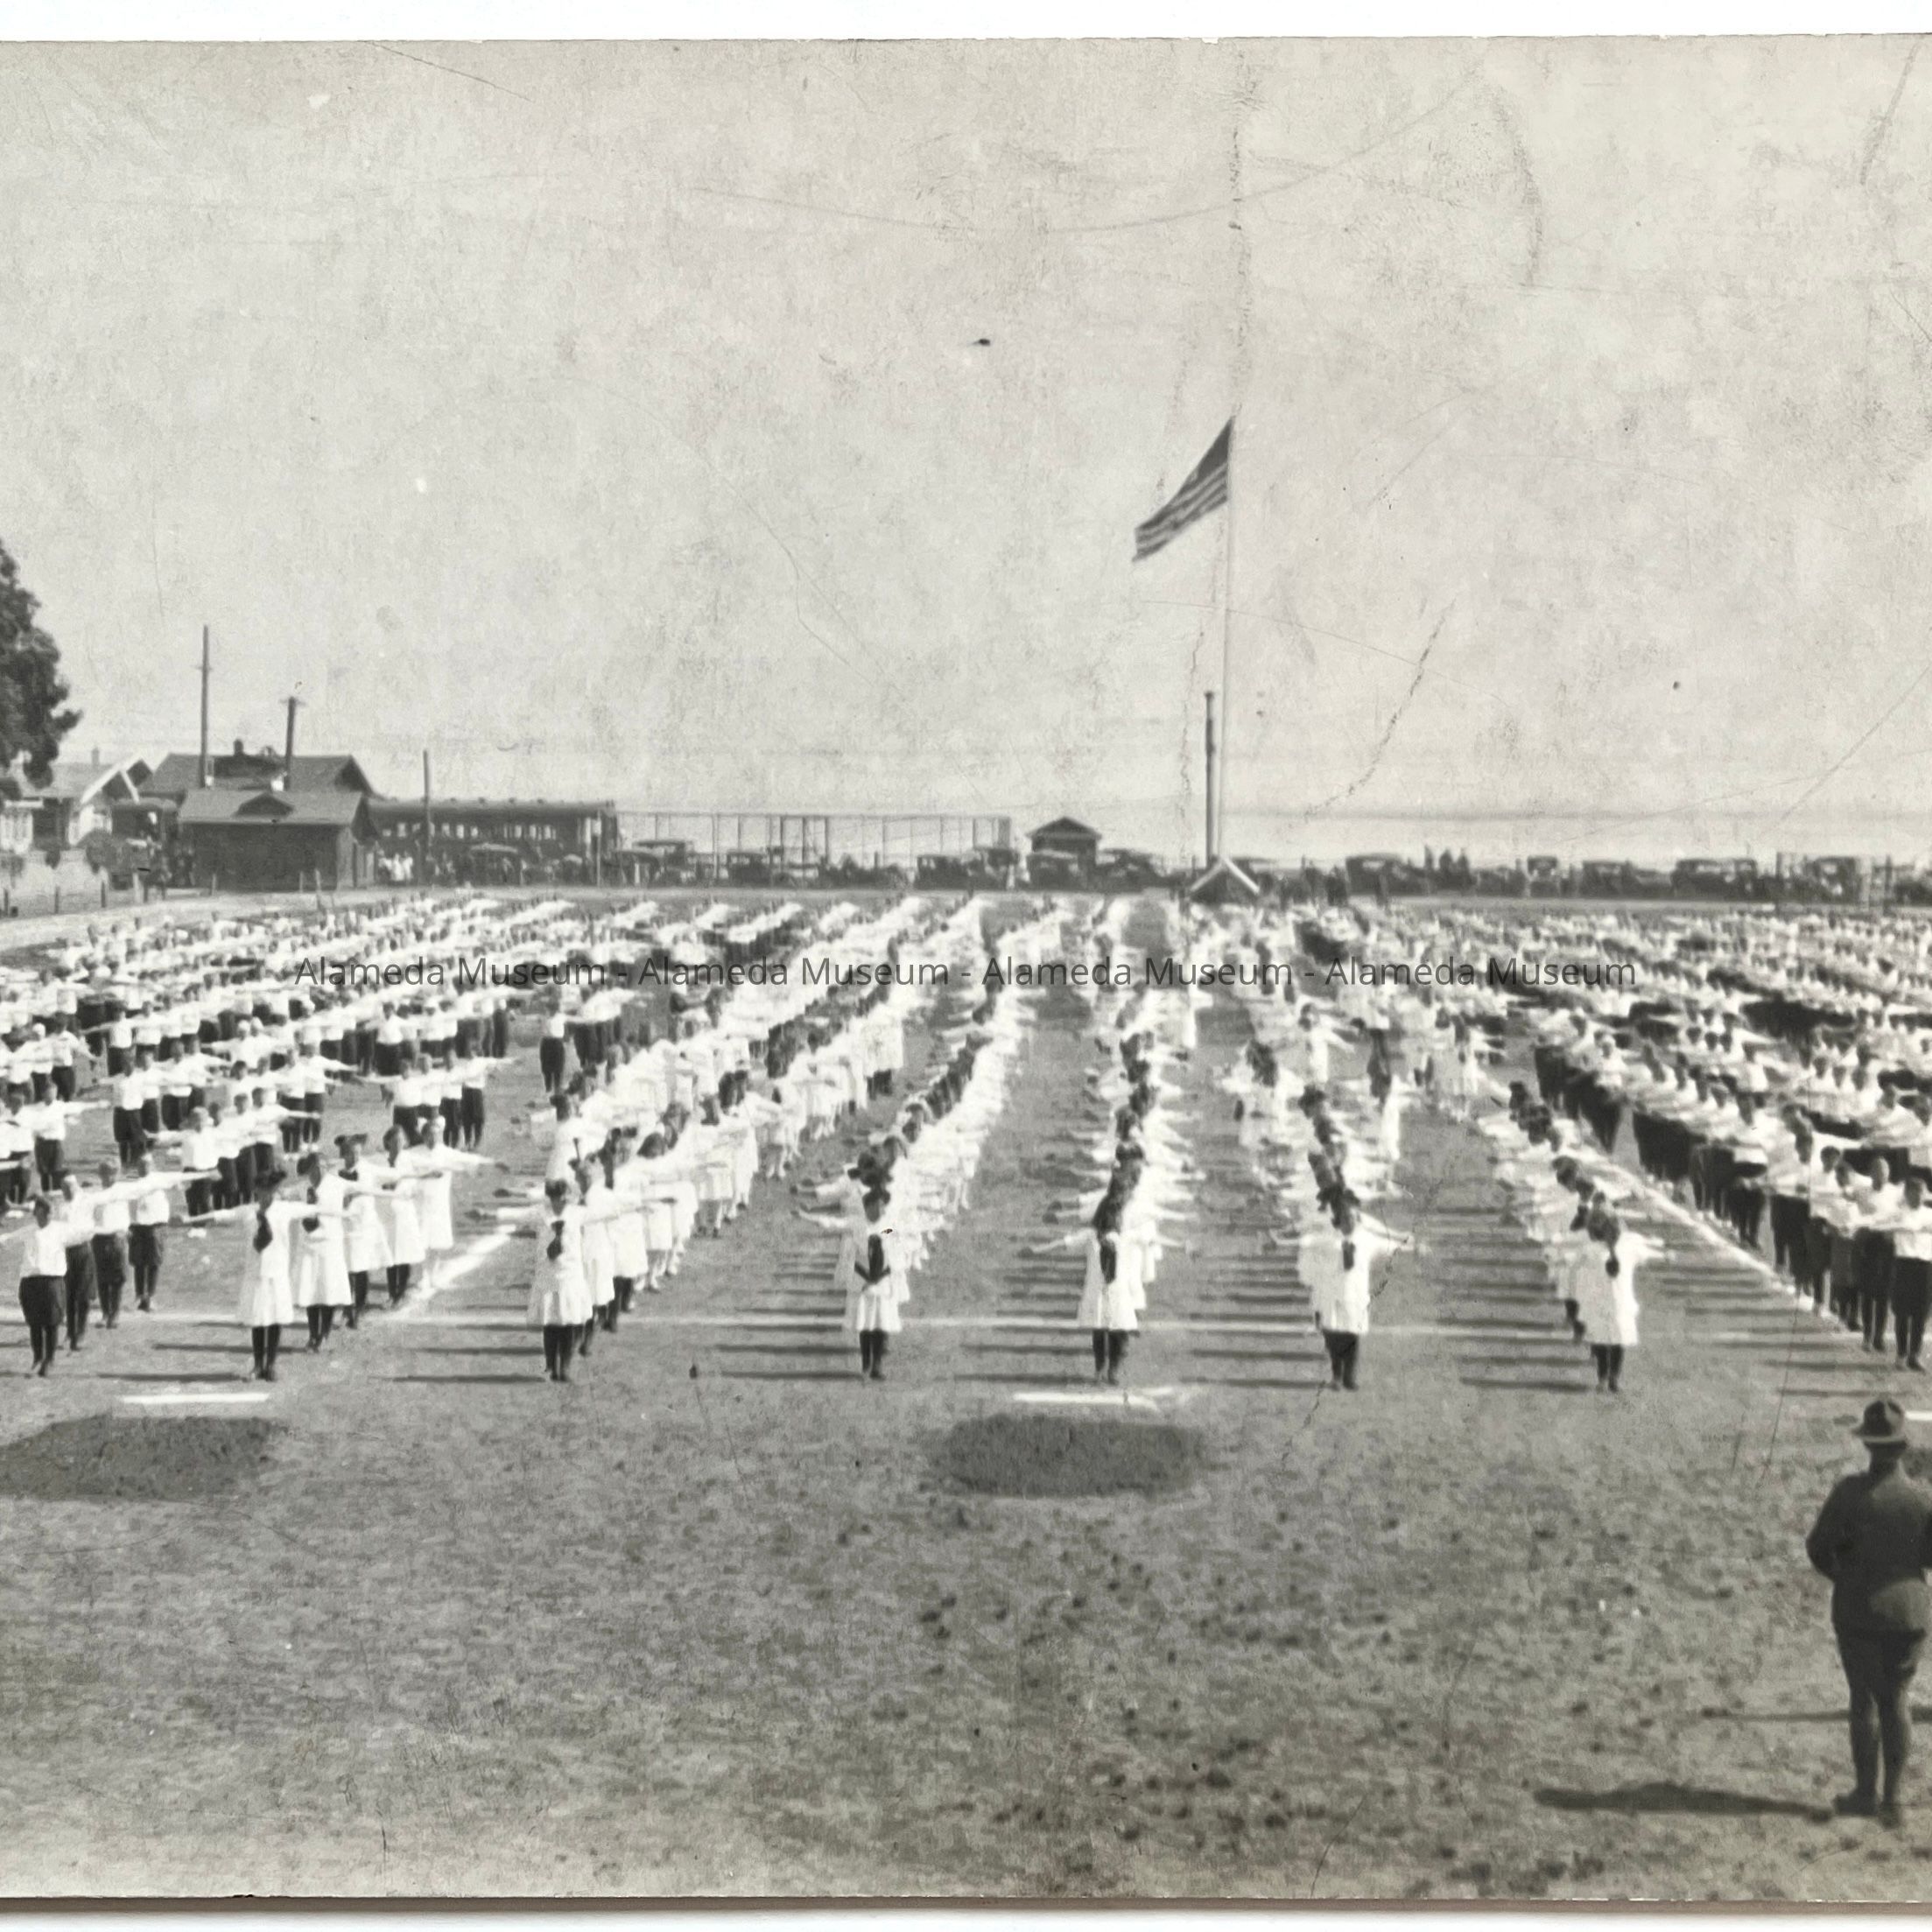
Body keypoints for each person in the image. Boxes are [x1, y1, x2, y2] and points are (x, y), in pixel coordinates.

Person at [1806, 1399, 1932, 1825]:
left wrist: (1845, 1576)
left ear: (1867, 1445)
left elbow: (1818, 1548)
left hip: (1859, 1609)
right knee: (1897, 1699)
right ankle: (1893, 1800)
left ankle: (1865, 1793)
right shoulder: (1921, 1499)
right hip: (1909, 1612)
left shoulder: (1848, 1493)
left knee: (1863, 1699)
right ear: (1902, 1447)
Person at [16, 1194, 71, 1375]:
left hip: (52, 1282)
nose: (48, 1216)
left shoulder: (61, 1230)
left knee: (52, 1323)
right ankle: (37, 1358)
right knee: (35, 1323)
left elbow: (84, 1232)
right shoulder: (28, 1231)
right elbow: (7, 1239)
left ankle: (50, 1360)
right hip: (31, 1282)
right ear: (37, 1212)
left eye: (50, 1212)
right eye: (44, 1212)